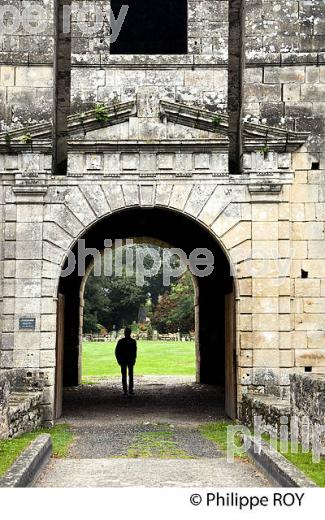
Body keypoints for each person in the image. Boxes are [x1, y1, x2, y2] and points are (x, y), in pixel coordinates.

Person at [115, 327, 137, 396]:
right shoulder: (133, 341)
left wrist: (119, 360)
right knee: (130, 375)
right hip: (128, 360)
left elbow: (117, 352)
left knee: (124, 376)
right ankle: (130, 390)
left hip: (124, 360)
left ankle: (125, 390)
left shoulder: (121, 341)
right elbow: (134, 352)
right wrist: (133, 359)